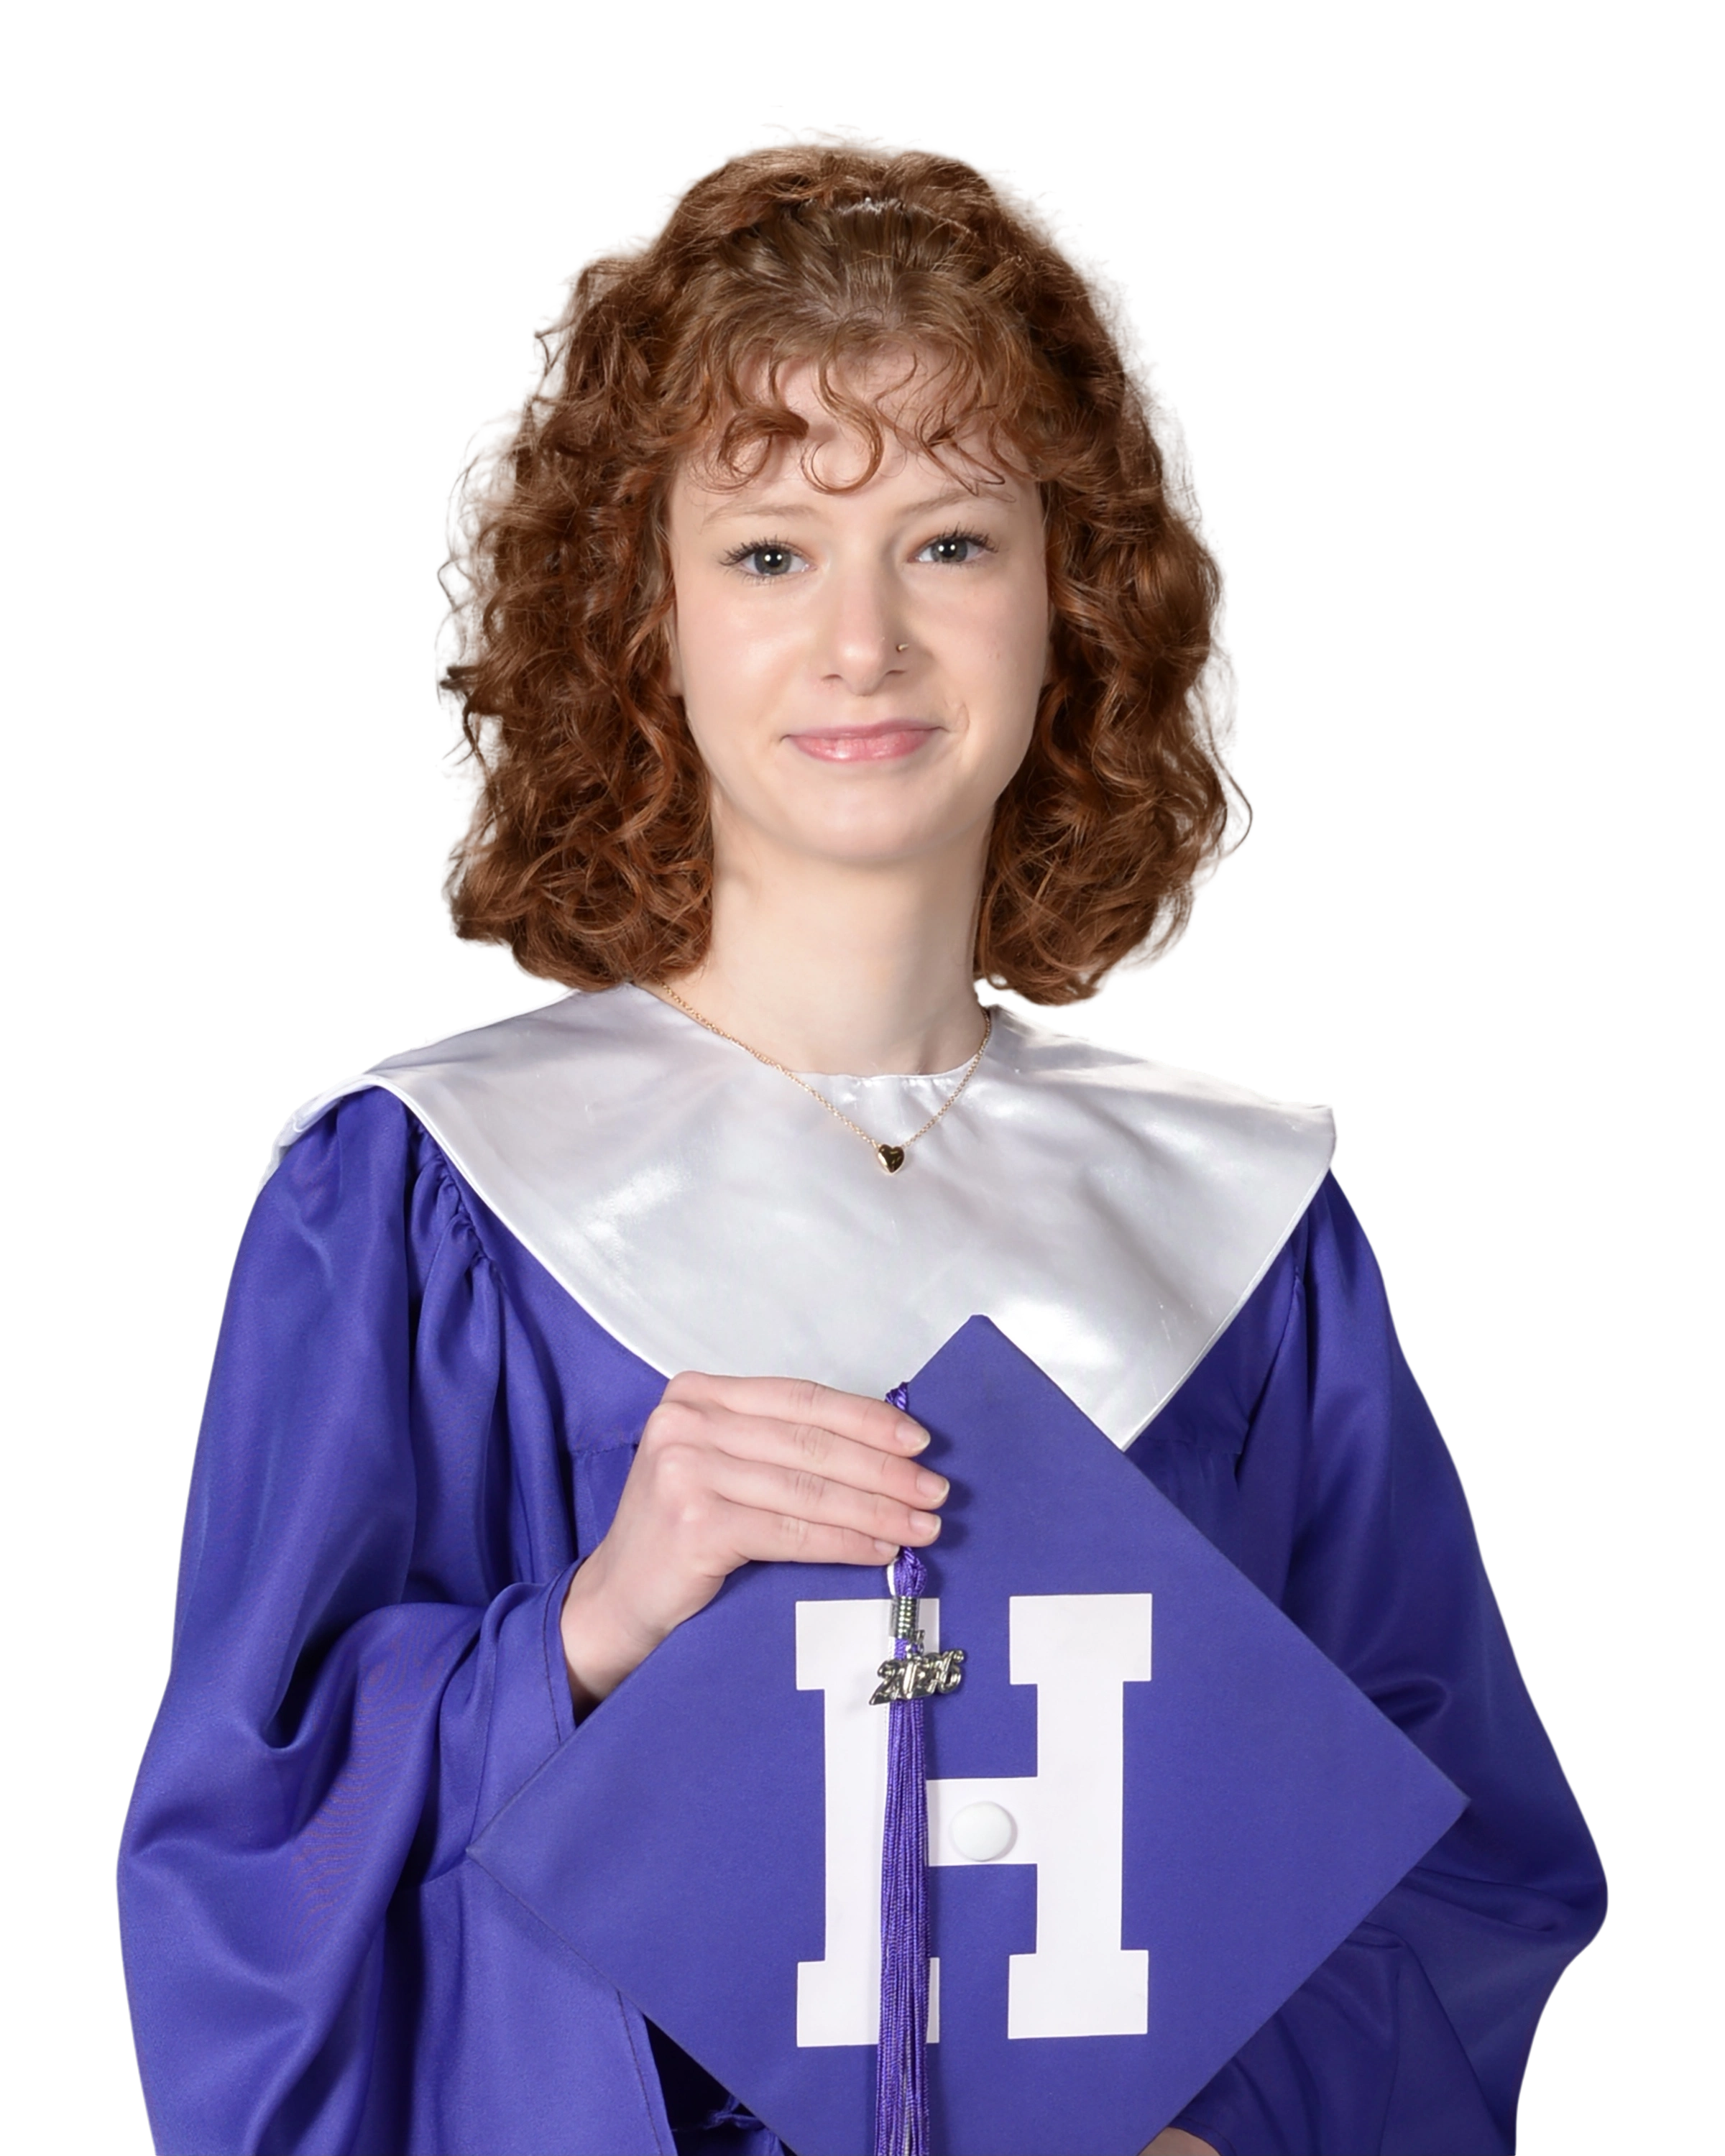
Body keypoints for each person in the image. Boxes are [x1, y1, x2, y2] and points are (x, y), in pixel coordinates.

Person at [115, 124, 1608, 2156]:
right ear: (635, 617)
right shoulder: (418, 1196)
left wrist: (1214, 2138)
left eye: (951, 543)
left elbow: (1450, 1859)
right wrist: (591, 1629)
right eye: (767, 553)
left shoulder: (1242, 1235)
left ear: (1075, 601)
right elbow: (248, 1861)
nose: (863, 644)